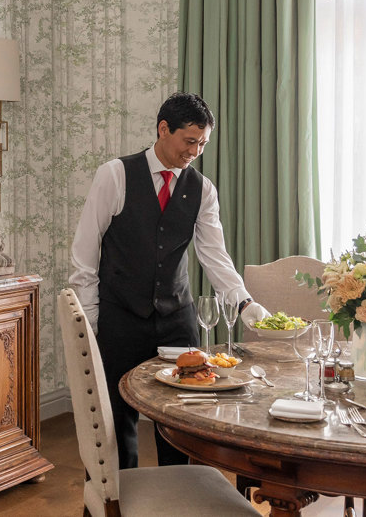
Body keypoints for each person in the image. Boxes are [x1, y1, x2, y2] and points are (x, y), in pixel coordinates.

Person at [69, 91, 269, 469]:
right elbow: (84, 252)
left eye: (203, 143)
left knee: (181, 418)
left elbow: (214, 256)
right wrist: (94, 320)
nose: (195, 151)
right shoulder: (115, 175)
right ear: (164, 129)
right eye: (189, 140)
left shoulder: (202, 189)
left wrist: (244, 303)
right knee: (117, 420)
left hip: (177, 319)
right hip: (120, 315)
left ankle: (176, 497)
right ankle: (119, 503)